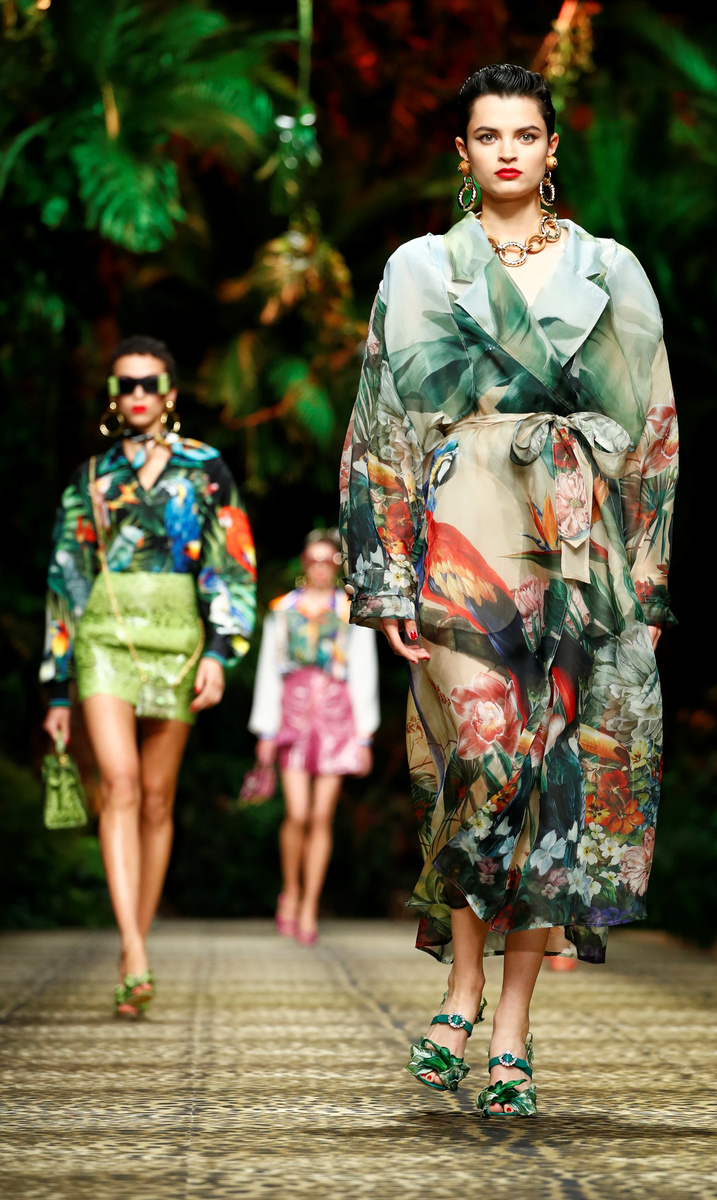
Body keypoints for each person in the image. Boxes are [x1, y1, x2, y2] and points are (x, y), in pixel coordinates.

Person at [340, 64, 678, 1117]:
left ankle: (510, 1034)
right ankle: (461, 984)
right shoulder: (419, 269)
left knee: (552, 781)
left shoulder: (607, 268)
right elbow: (381, 424)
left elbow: (652, 425)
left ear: (550, 148)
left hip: (577, 542)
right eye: (487, 136)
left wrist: (647, 584)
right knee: (481, 760)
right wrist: (386, 577)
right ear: (462, 152)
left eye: (524, 135)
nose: (506, 153)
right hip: (460, 530)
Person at [41, 335, 256, 1016]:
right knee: (121, 783)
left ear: (169, 393)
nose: (136, 395)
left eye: (148, 383)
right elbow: (66, 578)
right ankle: (133, 949)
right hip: (105, 635)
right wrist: (56, 687)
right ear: (114, 396)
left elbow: (232, 563)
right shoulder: (92, 478)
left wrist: (220, 652)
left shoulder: (206, 469)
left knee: (158, 798)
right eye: (124, 384)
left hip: (177, 638)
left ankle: (136, 942)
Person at [249, 529, 379, 945]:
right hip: (293, 714)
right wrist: (266, 729)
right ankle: (290, 890)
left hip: (337, 717)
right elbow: (269, 671)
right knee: (298, 813)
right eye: (314, 560)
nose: (321, 568)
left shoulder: (350, 612)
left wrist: (364, 735)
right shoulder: (282, 611)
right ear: (305, 564)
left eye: (329, 560)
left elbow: (363, 669)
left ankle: (309, 905)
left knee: (321, 816)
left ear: (337, 565)